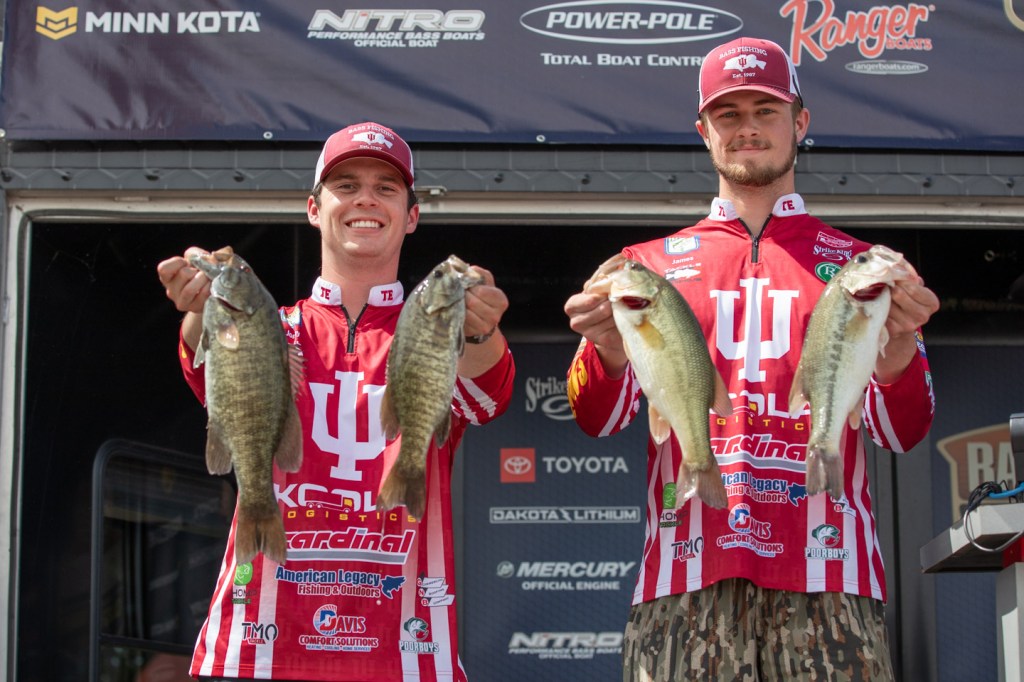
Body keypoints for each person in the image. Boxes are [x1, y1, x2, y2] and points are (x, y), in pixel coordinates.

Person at [564, 38, 939, 681]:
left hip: (832, 571)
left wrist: (901, 344)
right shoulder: (643, 268)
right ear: (703, 131)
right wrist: (606, 349)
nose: (747, 128)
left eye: (766, 110)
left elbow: (902, 431)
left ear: (800, 122)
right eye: (728, 113)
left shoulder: (861, 269)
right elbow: (597, 418)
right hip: (685, 570)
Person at [157, 121, 515, 681]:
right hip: (256, 654)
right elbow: (205, 367)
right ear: (313, 208)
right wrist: (202, 307)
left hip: (405, 657)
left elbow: (488, 396)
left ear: (412, 216)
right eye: (346, 185)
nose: (365, 199)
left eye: (386, 188)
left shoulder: (434, 327)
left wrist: (478, 330)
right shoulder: (267, 325)